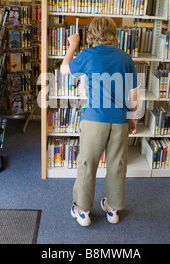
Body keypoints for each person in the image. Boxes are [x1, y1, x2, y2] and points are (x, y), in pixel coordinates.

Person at [60, 17, 139, 226]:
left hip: (95, 119)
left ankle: (83, 211)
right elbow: (134, 93)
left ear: (92, 34)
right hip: (120, 119)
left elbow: (64, 69)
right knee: (117, 164)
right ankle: (113, 209)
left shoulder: (88, 55)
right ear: (114, 33)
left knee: (87, 163)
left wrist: (73, 45)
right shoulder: (125, 58)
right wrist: (132, 119)